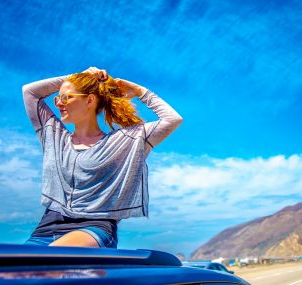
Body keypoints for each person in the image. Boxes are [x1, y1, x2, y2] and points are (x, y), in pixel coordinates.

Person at [22, 67, 183, 248]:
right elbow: (30, 91)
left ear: (90, 100)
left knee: (45, 262)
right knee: (7, 270)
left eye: (66, 97)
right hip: (46, 228)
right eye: (57, 98)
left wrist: (139, 92)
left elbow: (172, 119)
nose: (59, 103)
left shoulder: (125, 141)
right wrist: (78, 78)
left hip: (92, 229)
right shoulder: (53, 134)